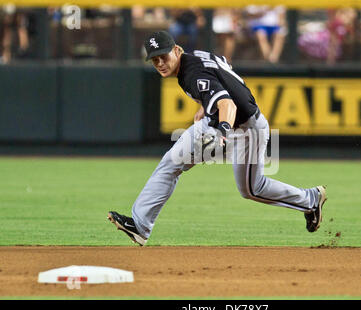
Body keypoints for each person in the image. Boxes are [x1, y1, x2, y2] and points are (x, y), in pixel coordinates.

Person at [107, 31, 327, 246]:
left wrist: (222, 132)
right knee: (171, 162)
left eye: (164, 56)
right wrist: (206, 106)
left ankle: (310, 200)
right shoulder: (196, 57)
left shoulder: (192, 74)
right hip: (217, 122)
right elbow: (223, 67)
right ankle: (139, 224)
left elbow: (227, 104)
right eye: (155, 60)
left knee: (252, 188)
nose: (160, 63)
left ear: (176, 50)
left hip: (245, 129)